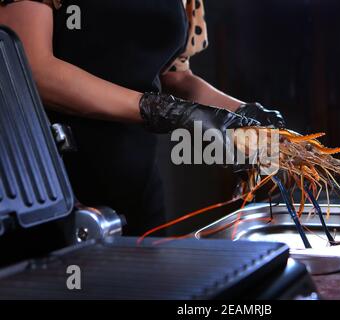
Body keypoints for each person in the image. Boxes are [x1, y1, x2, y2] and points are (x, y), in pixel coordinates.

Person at [0, 0, 286, 235]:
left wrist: (246, 115)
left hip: (137, 186)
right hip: (47, 188)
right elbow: (32, 69)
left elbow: (174, 75)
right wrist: (157, 109)